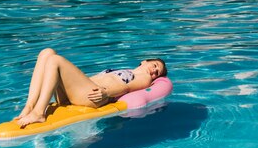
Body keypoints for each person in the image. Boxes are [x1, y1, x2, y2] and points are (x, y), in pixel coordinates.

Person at [15, 48, 167, 127]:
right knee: (47, 53)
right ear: (144, 61)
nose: (154, 71)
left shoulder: (144, 78)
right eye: (155, 66)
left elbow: (127, 87)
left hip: (93, 97)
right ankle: (29, 106)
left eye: (157, 73)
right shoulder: (126, 70)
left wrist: (106, 93)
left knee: (55, 60)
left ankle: (39, 113)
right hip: (79, 94)